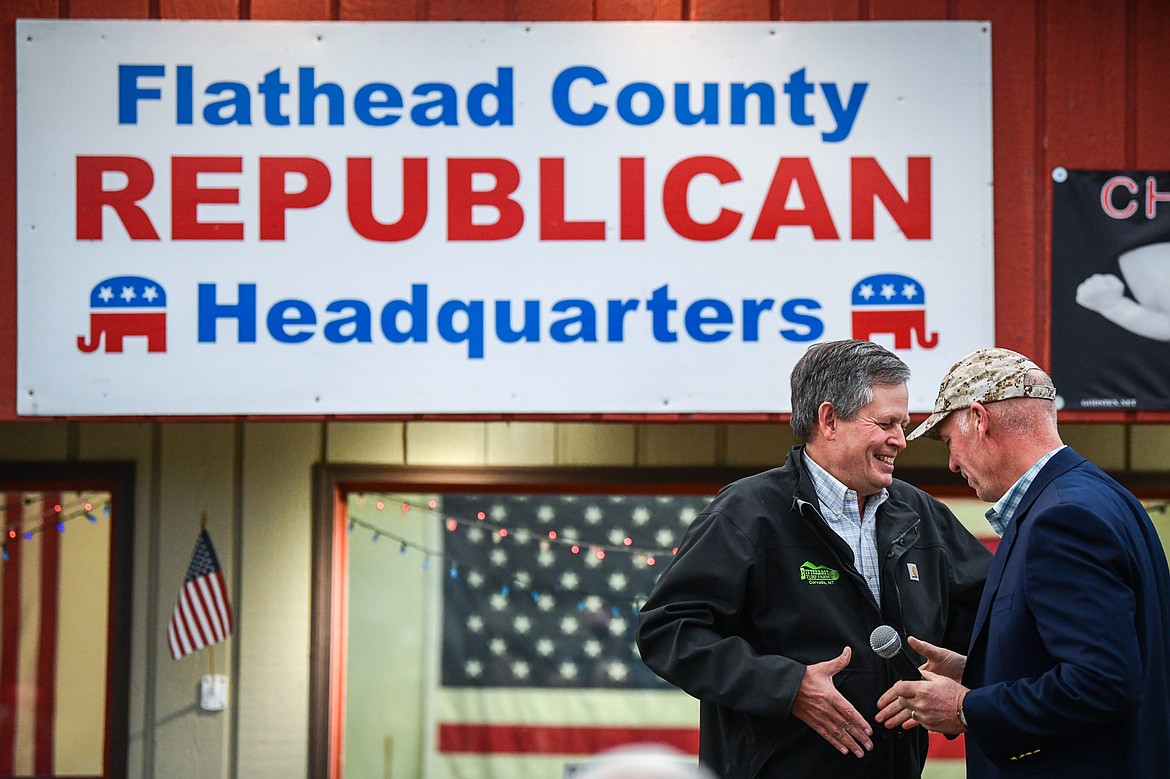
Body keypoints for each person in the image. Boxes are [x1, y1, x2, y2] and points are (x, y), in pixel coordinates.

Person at [635, 339, 992, 778]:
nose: (900, 440)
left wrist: (965, 678)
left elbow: (988, 624)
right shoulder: (748, 513)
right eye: (885, 423)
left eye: (903, 424)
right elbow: (668, 631)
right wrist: (787, 687)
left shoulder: (922, 516)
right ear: (829, 420)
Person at [875, 347, 1170, 779]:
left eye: (949, 442)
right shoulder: (1103, 498)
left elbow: (1102, 683)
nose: (953, 463)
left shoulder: (1061, 518)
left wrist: (964, 707)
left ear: (979, 419)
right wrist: (979, 668)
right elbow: (1100, 657)